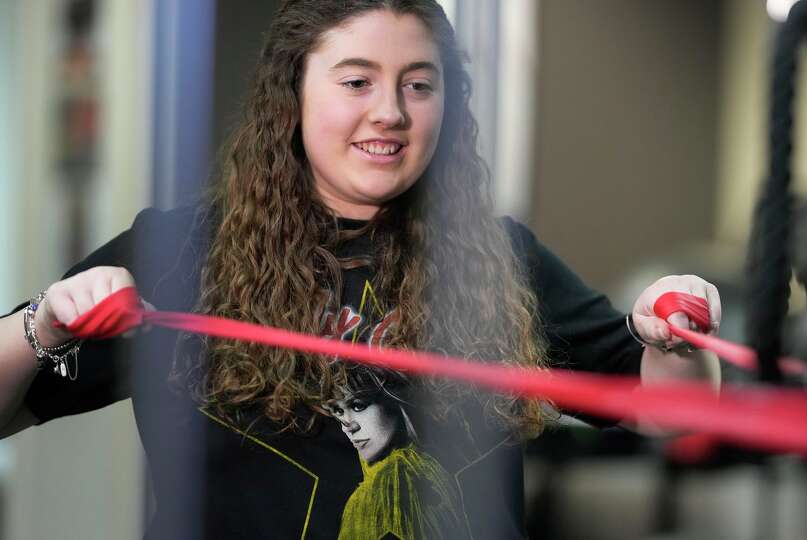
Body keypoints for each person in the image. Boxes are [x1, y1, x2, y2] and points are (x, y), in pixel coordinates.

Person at [0, 1, 720, 538]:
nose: (390, 114)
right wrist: (47, 324)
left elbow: (667, 408)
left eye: (418, 85)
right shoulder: (180, 249)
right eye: (356, 82)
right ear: (294, 94)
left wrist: (676, 338)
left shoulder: (496, 255)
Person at [324, 367, 471, 539]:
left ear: (394, 400)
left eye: (358, 406)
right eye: (338, 411)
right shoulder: (426, 467)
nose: (348, 426)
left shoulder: (391, 481)